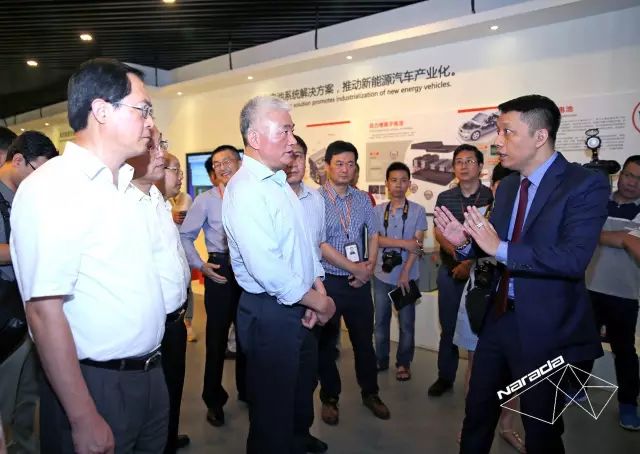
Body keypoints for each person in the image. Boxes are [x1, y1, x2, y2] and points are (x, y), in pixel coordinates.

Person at [10, 58, 169, 453]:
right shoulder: (53, 188)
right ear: (101, 110)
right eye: (143, 109)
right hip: (95, 384)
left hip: (150, 373)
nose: (150, 122)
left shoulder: (126, 186)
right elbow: (44, 312)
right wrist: (82, 416)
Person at [435, 94, 609, 453]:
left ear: (540, 136)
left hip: (547, 328)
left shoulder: (584, 184)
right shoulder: (510, 186)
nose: (498, 141)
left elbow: (573, 258)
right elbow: (491, 247)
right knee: (477, 412)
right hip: (498, 318)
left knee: (542, 427)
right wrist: (463, 244)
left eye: (507, 132)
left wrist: (498, 247)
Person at [222, 96, 335, 454]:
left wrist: (316, 286)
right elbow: (267, 267)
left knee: (300, 389)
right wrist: (318, 301)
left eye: (292, 130)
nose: (292, 140)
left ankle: (299, 440)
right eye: (283, 131)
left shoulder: (278, 182)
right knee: (272, 409)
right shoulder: (246, 189)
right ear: (255, 138)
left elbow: (303, 243)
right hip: (270, 311)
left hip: (298, 300)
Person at [126, 130, 191, 453]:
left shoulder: (159, 203)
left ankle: (168, 440)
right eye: (153, 147)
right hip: (152, 324)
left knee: (172, 391)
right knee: (151, 401)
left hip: (174, 321)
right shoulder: (126, 205)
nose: (161, 155)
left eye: (162, 147)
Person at [452, 163, 525, 452]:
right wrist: (462, 245)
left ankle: (506, 425)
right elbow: (467, 252)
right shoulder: (480, 215)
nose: (505, 191)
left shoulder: (528, 218)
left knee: (515, 373)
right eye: (499, 185)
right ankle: (471, 421)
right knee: (476, 368)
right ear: (493, 187)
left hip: (513, 306)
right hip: (479, 300)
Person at [318, 140, 390, 425]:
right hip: (329, 282)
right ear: (327, 166)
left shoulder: (362, 199)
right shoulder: (315, 201)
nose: (345, 169)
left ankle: (371, 393)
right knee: (326, 345)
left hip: (359, 283)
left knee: (364, 342)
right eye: (339, 163)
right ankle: (329, 398)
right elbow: (320, 244)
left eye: (350, 164)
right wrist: (355, 269)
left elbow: (373, 234)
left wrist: (368, 267)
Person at [180, 144, 247, 427]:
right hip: (220, 270)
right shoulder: (206, 200)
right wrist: (200, 264)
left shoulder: (252, 196)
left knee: (248, 336)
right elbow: (185, 236)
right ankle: (213, 400)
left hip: (250, 271)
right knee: (217, 339)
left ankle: (247, 389)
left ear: (240, 164)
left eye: (227, 161)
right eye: (217, 164)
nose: (222, 167)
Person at [0, 131, 57, 454]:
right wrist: (33, 246)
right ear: (18, 160)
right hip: (5, 317)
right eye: (39, 171)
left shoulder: (29, 197)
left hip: (29, 315)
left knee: (27, 401)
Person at [428, 144, 493, 397]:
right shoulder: (445, 197)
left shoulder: (492, 196)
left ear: (480, 166)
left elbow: (493, 235)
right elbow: (439, 231)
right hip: (450, 270)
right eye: (459, 162)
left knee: (481, 329)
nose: (464, 166)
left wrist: (469, 263)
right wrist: (458, 257)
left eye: (470, 161)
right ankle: (445, 377)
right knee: (448, 326)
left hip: (482, 275)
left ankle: (479, 380)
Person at [585, 155, 640, 430]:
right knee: (582, 344)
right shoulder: (597, 202)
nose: (632, 182)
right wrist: (624, 238)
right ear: (621, 175)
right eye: (628, 175)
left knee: (624, 351)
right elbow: (582, 233)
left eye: (639, 179)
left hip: (625, 294)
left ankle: (628, 404)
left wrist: (602, 236)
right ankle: (575, 388)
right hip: (588, 289)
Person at [284, 134, 329, 453]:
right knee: (279, 378)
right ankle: (280, 438)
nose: (293, 162)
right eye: (289, 155)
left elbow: (316, 247)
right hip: (280, 300)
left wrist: (319, 292)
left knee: (307, 374)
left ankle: (302, 433)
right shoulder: (270, 198)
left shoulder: (315, 199)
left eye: (299, 155)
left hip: (311, 298)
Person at [372, 161, 427, 381]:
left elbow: (418, 244)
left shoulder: (418, 211)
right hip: (381, 275)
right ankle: (380, 359)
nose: (398, 184)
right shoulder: (377, 210)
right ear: (387, 183)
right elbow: (375, 240)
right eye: (394, 180)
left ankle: (403, 363)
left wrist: (405, 272)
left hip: (407, 276)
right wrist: (405, 243)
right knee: (380, 321)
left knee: (406, 324)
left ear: (409, 184)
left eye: (403, 180)